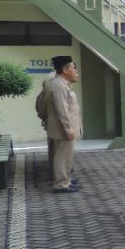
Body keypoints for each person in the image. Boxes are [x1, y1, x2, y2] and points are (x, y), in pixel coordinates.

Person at [45, 55, 82, 193]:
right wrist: (68, 129)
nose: (76, 71)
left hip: (63, 129)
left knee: (64, 157)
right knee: (62, 157)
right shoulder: (59, 85)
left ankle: (65, 181)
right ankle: (61, 184)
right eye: (73, 68)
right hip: (63, 130)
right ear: (65, 70)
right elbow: (62, 110)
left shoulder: (61, 83)